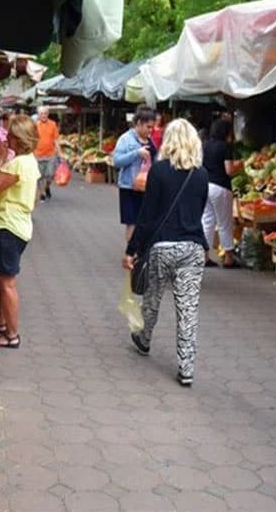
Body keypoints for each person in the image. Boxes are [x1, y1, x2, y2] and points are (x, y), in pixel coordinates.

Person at [122, 119, 210, 387]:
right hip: (193, 248)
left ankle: (144, 338)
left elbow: (147, 216)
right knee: (188, 309)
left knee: (153, 296)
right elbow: (198, 212)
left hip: (162, 245)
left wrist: (132, 248)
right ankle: (187, 367)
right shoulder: (202, 174)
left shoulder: (159, 171)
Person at [0, 115, 40, 349]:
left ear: (20, 139)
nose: (7, 139)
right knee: (2, 276)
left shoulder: (16, 164)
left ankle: (12, 335)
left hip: (8, 226)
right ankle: (0, 320)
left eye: (11, 136)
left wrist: (0, 160)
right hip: (18, 224)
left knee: (7, 282)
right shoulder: (30, 161)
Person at [202, 119, 243, 268]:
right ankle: (228, 258)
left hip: (205, 186)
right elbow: (229, 170)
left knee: (207, 221)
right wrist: (240, 165)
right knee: (224, 223)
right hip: (220, 187)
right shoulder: (225, 147)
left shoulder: (204, 145)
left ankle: (204, 257)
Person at [112, 106, 157, 241]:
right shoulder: (125, 139)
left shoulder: (150, 141)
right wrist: (136, 153)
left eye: (152, 127)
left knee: (144, 221)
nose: (150, 130)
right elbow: (117, 161)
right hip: (129, 187)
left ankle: (140, 251)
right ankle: (131, 254)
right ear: (138, 123)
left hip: (146, 187)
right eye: (148, 127)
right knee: (131, 222)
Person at [34, 106, 60, 201]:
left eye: (45, 113)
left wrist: (60, 153)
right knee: (39, 176)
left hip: (50, 154)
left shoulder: (53, 124)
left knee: (50, 175)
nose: (43, 115)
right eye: (41, 113)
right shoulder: (35, 125)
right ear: (38, 115)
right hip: (38, 154)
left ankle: (46, 187)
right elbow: (32, 140)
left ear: (48, 114)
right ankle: (42, 193)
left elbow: (56, 140)